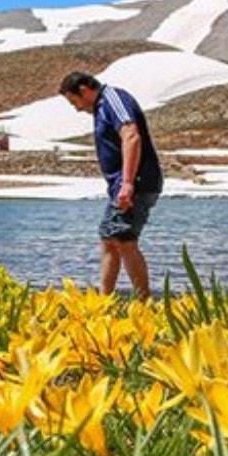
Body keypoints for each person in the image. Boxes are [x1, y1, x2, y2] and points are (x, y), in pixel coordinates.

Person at [59, 71, 163, 300]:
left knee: (122, 239)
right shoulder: (102, 107)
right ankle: (105, 301)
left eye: (74, 101)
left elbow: (131, 136)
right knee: (110, 238)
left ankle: (143, 304)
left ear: (85, 90)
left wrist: (127, 183)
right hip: (123, 185)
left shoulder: (113, 99)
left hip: (135, 182)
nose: (76, 108)